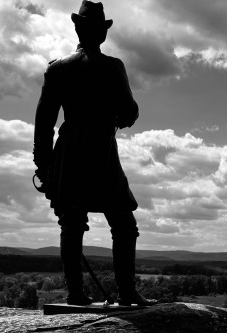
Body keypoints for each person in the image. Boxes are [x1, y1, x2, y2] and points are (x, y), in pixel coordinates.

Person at [33, 1, 154, 306]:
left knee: (72, 224)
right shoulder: (113, 67)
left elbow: (44, 123)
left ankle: (76, 293)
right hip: (100, 148)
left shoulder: (58, 69)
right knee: (123, 223)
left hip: (69, 150)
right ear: (100, 34)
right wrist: (115, 116)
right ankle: (126, 291)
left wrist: (44, 166)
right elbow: (129, 112)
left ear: (78, 29)